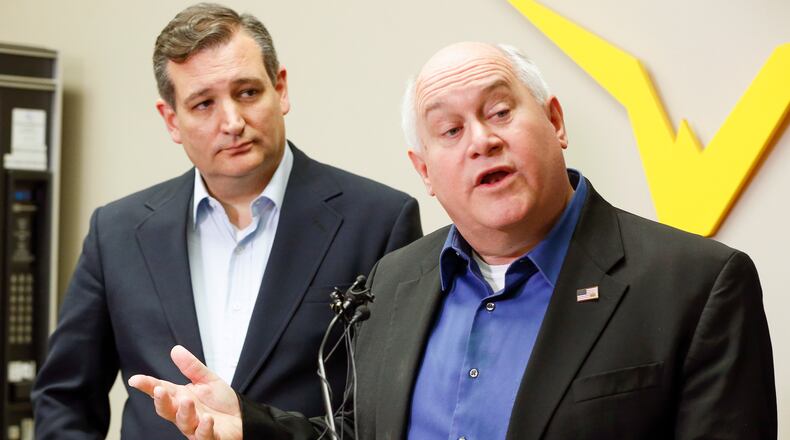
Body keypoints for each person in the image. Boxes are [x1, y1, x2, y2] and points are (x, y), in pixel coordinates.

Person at [129, 41, 776, 439]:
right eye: (449, 130)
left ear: (555, 122)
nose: (482, 141)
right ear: (425, 172)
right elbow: (358, 434)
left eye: (500, 112)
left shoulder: (696, 285)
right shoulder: (392, 282)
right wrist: (250, 424)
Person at [31, 4, 422, 439]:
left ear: (281, 89)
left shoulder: (379, 222)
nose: (233, 122)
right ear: (171, 120)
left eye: (248, 92)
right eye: (203, 104)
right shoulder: (117, 232)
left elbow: (388, 414)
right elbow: (64, 399)